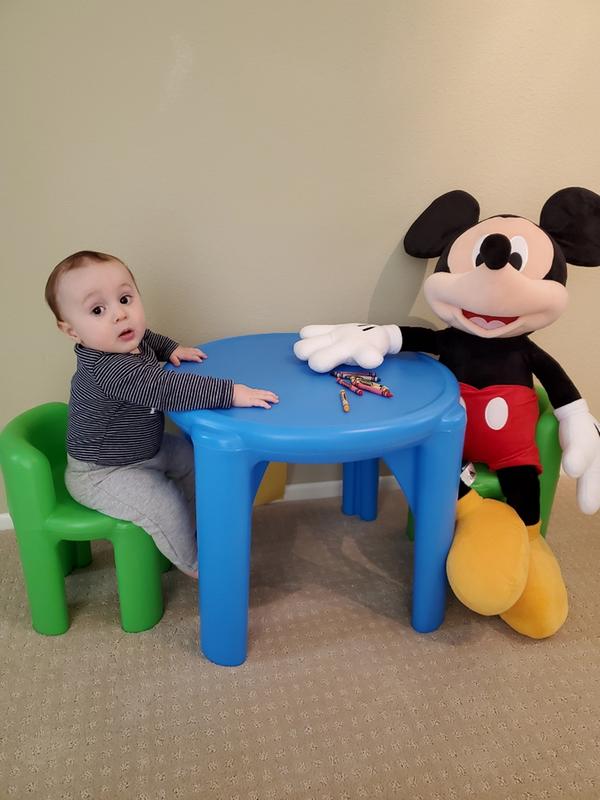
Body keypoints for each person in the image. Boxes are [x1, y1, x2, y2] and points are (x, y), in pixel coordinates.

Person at [45, 250, 279, 578]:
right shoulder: (108, 369)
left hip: (146, 450)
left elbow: (147, 336)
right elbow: (170, 390)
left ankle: (203, 530)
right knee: (165, 504)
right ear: (71, 330)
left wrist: (170, 349)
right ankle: (198, 564)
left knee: (199, 462)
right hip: (103, 472)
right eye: (98, 310)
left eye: (125, 299)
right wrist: (231, 392)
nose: (119, 316)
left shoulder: (124, 341)